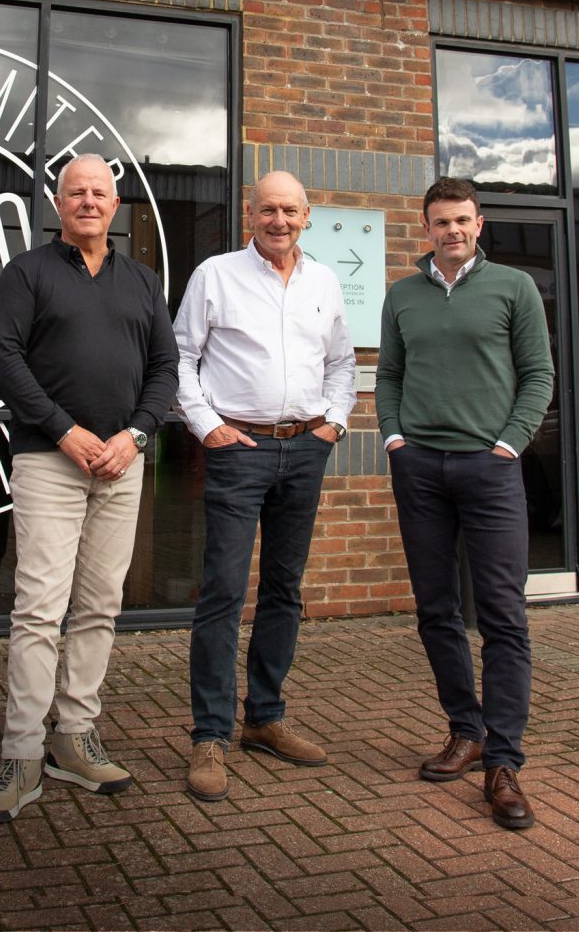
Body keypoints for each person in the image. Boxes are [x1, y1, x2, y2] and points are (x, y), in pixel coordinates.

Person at [0, 152, 179, 823]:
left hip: (121, 464)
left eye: (100, 192)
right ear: (59, 203)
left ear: (115, 206)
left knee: (97, 605)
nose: (88, 201)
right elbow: (2, 358)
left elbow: (165, 368)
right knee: (38, 607)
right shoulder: (27, 273)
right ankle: (21, 750)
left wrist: (136, 434)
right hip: (49, 460)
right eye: (75, 191)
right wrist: (64, 430)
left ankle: (74, 735)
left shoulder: (143, 282)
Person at [375, 176, 554, 830]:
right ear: (426, 228)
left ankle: (503, 762)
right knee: (436, 609)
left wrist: (508, 444)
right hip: (419, 468)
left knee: (504, 616)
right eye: (441, 221)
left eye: (463, 220)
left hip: (491, 469)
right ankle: (465, 728)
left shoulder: (514, 288)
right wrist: (394, 436)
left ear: (480, 225)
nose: (453, 230)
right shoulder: (402, 295)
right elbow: (389, 372)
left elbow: (539, 373)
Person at [173, 170, 356, 801]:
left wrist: (333, 423)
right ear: (249, 214)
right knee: (222, 590)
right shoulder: (215, 275)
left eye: (290, 210)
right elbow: (182, 359)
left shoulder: (325, 282)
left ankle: (265, 718)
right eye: (267, 210)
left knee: (284, 588)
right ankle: (210, 735)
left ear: (308, 215)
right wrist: (208, 427)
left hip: (305, 449)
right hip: (238, 451)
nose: (278, 220)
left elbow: (341, 361)